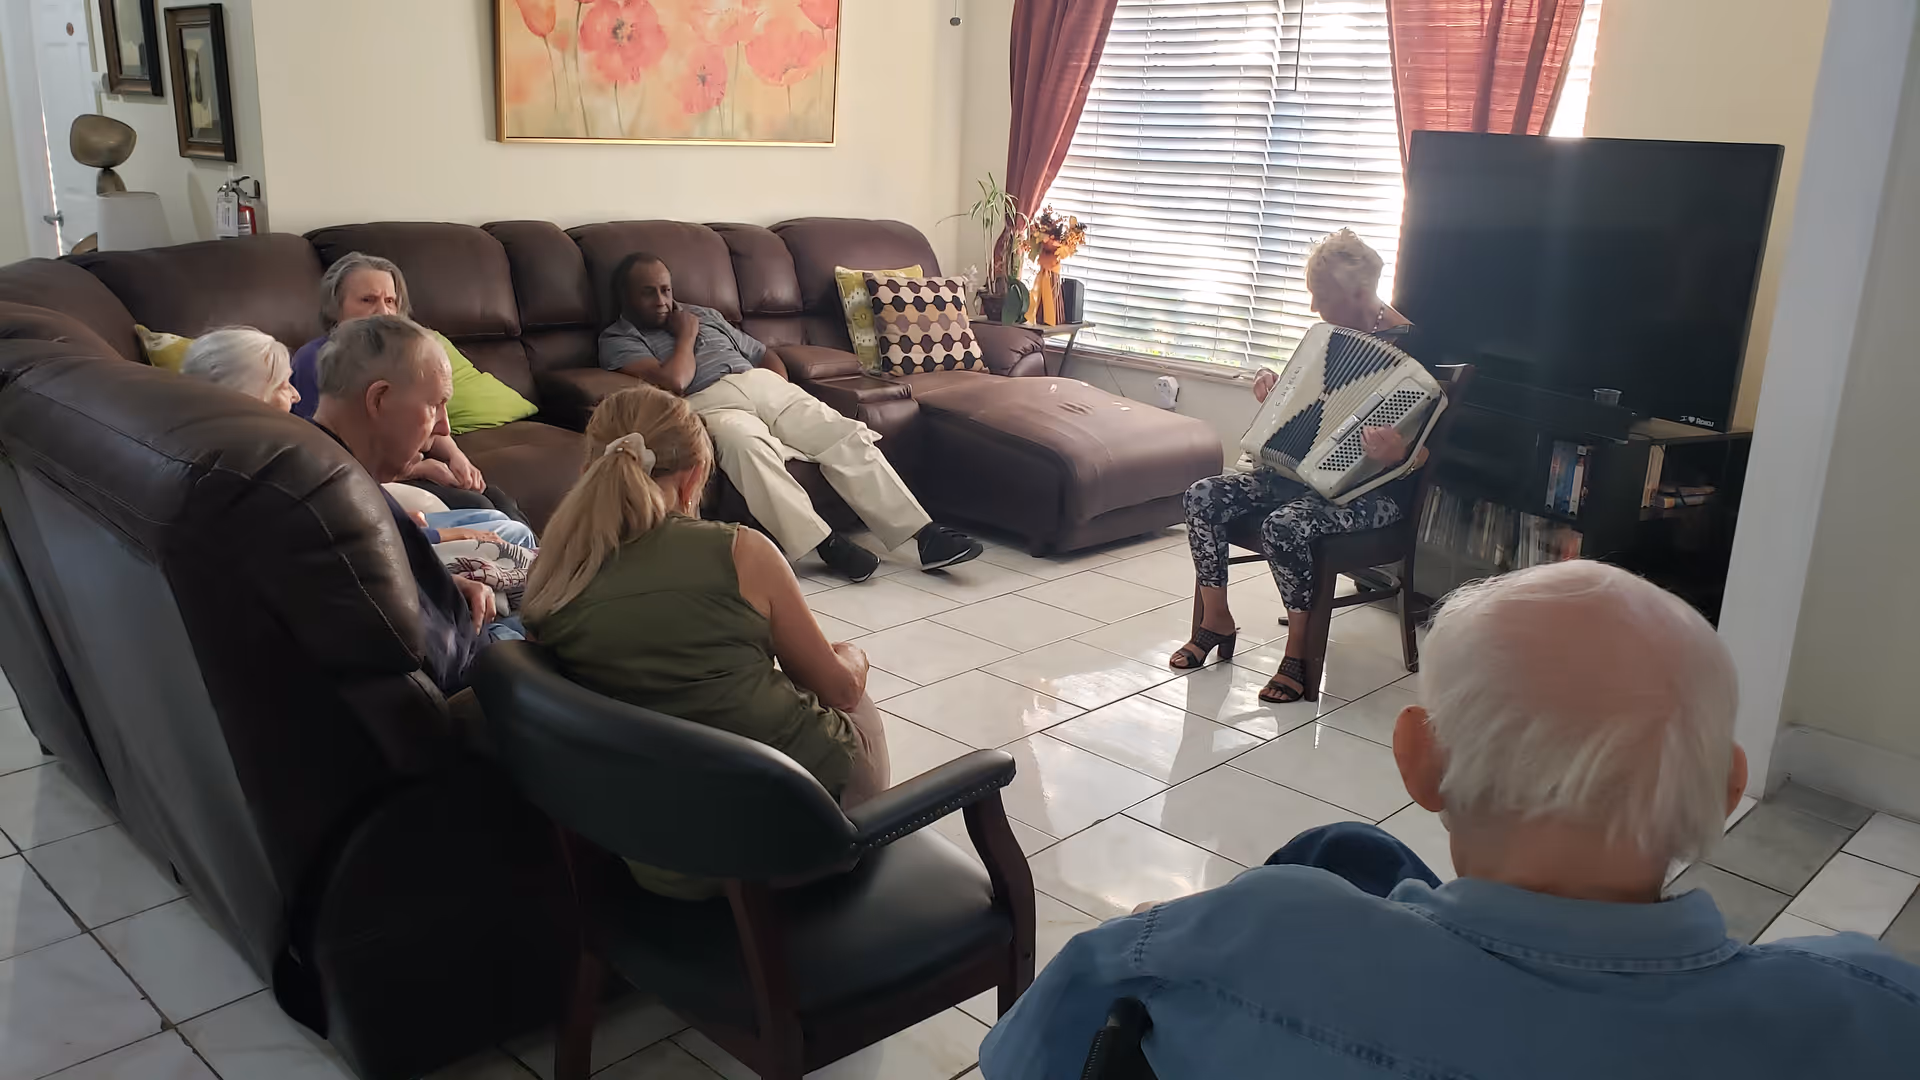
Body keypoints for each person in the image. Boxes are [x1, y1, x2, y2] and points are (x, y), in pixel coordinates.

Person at [981, 561, 1920, 1079]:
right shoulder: (1868, 1006)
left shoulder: (1258, 930)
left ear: (1420, 760)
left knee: (1330, 866)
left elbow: (1042, 1039)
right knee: (1350, 855)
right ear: (1723, 791)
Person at [523, 386, 890, 897]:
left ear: (591, 469)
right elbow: (840, 692)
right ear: (696, 475)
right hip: (792, 843)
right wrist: (854, 657)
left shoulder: (553, 573)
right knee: (851, 688)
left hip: (659, 857)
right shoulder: (741, 550)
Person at [596, 252, 981, 582]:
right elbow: (673, 383)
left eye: (666, 289)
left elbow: (764, 354)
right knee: (745, 447)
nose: (663, 300)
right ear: (624, 298)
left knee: (842, 433)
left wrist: (777, 392)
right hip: (708, 402)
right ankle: (825, 544)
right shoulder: (618, 339)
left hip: (763, 385)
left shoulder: (706, 314)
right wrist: (684, 336)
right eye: (648, 292)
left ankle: (925, 536)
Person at [1172, 228, 1425, 702]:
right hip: (1296, 480)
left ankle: (1297, 653)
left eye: (1321, 296)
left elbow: (1425, 451)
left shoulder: (1412, 351)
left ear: (1356, 293)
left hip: (1372, 497)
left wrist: (1400, 452)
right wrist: (1273, 384)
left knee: (1284, 527)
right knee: (1202, 495)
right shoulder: (1330, 342)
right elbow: (1300, 406)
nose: (1314, 308)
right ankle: (1216, 620)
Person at [310, 314, 524, 694]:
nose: (444, 427)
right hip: (480, 684)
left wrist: (444, 585)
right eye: (435, 405)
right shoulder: (344, 509)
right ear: (379, 399)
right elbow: (448, 666)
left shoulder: (327, 467)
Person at [180, 326, 536, 550]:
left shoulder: (217, 460)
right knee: (513, 539)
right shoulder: (295, 477)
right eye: (282, 385)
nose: (298, 396)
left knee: (500, 519)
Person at [290, 252, 528, 524]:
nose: (383, 311)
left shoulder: (400, 355)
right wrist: (418, 469)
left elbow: (431, 415)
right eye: (367, 300)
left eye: (390, 301)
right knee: (479, 507)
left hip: (407, 465)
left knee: (498, 499)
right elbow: (332, 454)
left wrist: (456, 458)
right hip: (375, 479)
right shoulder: (320, 360)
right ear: (336, 306)